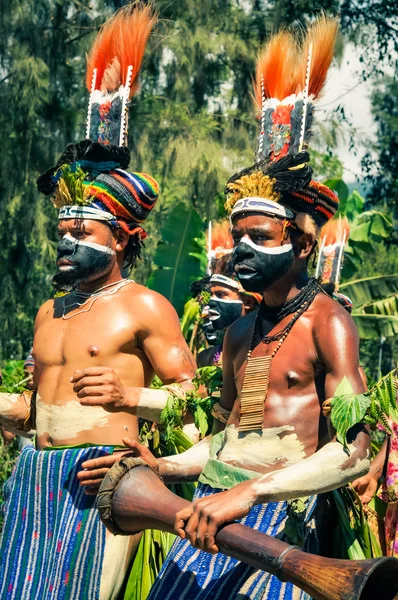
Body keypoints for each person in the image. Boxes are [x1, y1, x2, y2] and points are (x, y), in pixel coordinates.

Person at [90, 17, 371, 600]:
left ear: (301, 244)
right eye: (237, 236)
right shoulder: (242, 330)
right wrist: (166, 466)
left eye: (261, 237)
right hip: (210, 514)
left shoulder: (327, 323)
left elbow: (352, 452)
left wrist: (253, 494)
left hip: (282, 526)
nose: (243, 249)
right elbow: (229, 444)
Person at [0, 5, 196, 600]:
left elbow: (197, 403)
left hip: (100, 481)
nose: (67, 241)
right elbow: (37, 405)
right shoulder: (48, 312)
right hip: (33, 478)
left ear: (123, 238)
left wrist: (129, 397)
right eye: (62, 230)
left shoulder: (145, 306)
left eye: (82, 232)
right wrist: (14, 412)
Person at [198, 220, 261, 367]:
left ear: (248, 302)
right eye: (211, 294)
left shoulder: (265, 352)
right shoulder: (206, 359)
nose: (211, 302)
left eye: (221, 295)